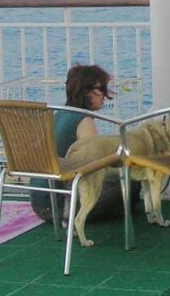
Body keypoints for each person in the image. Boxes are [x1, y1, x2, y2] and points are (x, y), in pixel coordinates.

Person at [30, 64, 131, 223]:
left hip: (38, 202)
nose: (104, 95)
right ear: (86, 92)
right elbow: (92, 166)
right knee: (131, 183)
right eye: (101, 89)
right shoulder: (84, 121)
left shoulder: (58, 115)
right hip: (61, 206)